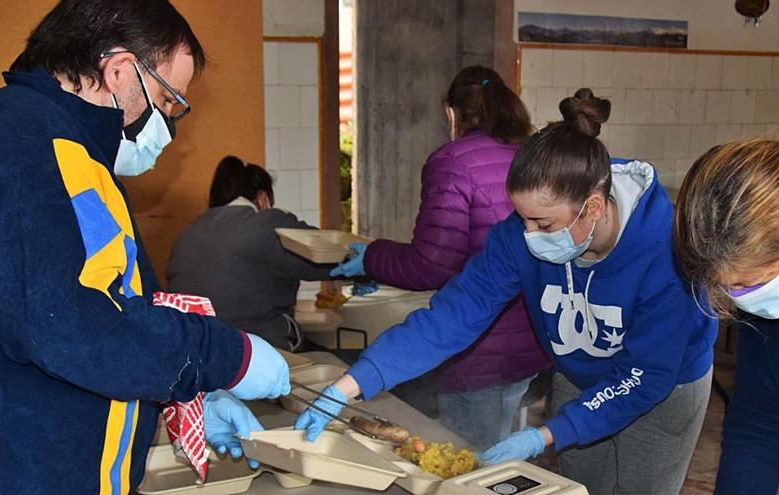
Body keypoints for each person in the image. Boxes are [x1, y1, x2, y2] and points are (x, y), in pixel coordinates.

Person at [297, 88, 717, 494]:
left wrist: (546, 435)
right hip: (580, 372)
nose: (529, 236)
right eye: (523, 220)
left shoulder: (668, 251)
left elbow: (646, 375)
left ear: (592, 207)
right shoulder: (519, 237)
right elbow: (453, 315)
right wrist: (351, 385)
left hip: (663, 385)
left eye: (544, 225)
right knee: (582, 487)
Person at [0, 2, 289, 493]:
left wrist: (185, 392)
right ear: (118, 71)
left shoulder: (70, 150)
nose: (169, 126)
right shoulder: (19, 141)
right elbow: (69, 327)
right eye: (168, 99)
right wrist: (223, 357)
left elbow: (119, 305)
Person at [328, 66, 550, 449]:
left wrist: (372, 257)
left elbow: (433, 264)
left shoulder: (453, 161)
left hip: (477, 349)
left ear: (451, 113)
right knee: (502, 453)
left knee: (470, 463)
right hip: (533, 342)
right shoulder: (531, 156)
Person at [673, 140, 779, 495]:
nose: (744, 300)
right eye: (728, 288)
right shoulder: (773, 297)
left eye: (752, 283)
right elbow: (760, 423)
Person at [167, 156, 336, 351]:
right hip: (250, 350)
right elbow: (328, 253)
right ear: (263, 199)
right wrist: (369, 265)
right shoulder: (265, 224)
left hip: (191, 348)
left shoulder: (189, 231)